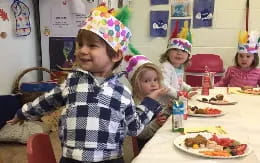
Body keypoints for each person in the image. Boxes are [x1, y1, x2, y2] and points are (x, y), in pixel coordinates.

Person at [7, 5, 168, 163]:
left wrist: (150, 102)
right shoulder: (72, 82)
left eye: (92, 45)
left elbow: (135, 127)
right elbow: (46, 101)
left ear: (115, 55)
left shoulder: (122, 93)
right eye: (80, 44)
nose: (82, 50)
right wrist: (22, 113)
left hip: (110, 159)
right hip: (71, 158)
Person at [123, 54, 171, 150]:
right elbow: (141, 134)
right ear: (136, 84)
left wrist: (169, 109)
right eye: (147, 81)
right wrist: (156, 123)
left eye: (155, 80)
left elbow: (161, 117)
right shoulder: (134, 105)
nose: (153, 84)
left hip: (159, 142)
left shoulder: (155, 101)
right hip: (147, 149)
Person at [159, 20, 197, 102]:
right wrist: (179, 94)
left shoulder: (180, 67)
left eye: (183, 51)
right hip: (164, 104)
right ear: (168, 53)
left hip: (175, 102)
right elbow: (164, 85)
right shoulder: (166, 66)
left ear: (188, 56)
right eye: (175, 50)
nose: (179, 53)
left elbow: (180, 83)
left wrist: (189, 88)